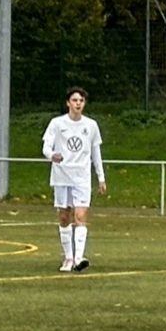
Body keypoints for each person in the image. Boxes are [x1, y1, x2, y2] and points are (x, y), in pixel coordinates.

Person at [40, 87, 106, 272]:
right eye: (75, 100)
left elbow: (96, 153)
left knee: (81, 215)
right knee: (64, 216)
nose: (78, 104)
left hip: (82, 177)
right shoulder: (57, 123)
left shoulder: (91, 125)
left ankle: (79, 258)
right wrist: (52, 155)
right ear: (68, 103)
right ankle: (68, 257)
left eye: (81, 101)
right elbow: (46, 147)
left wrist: (100, 177)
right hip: (61, 176)